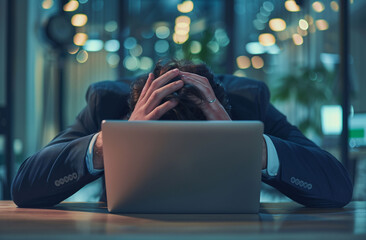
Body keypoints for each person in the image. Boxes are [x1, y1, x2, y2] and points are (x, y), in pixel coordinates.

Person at [11, 59, 353, 208]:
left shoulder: (249, 102)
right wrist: (115, 140)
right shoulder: (106, 104)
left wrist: (247, 143)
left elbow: (336, 187)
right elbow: (25, 187)